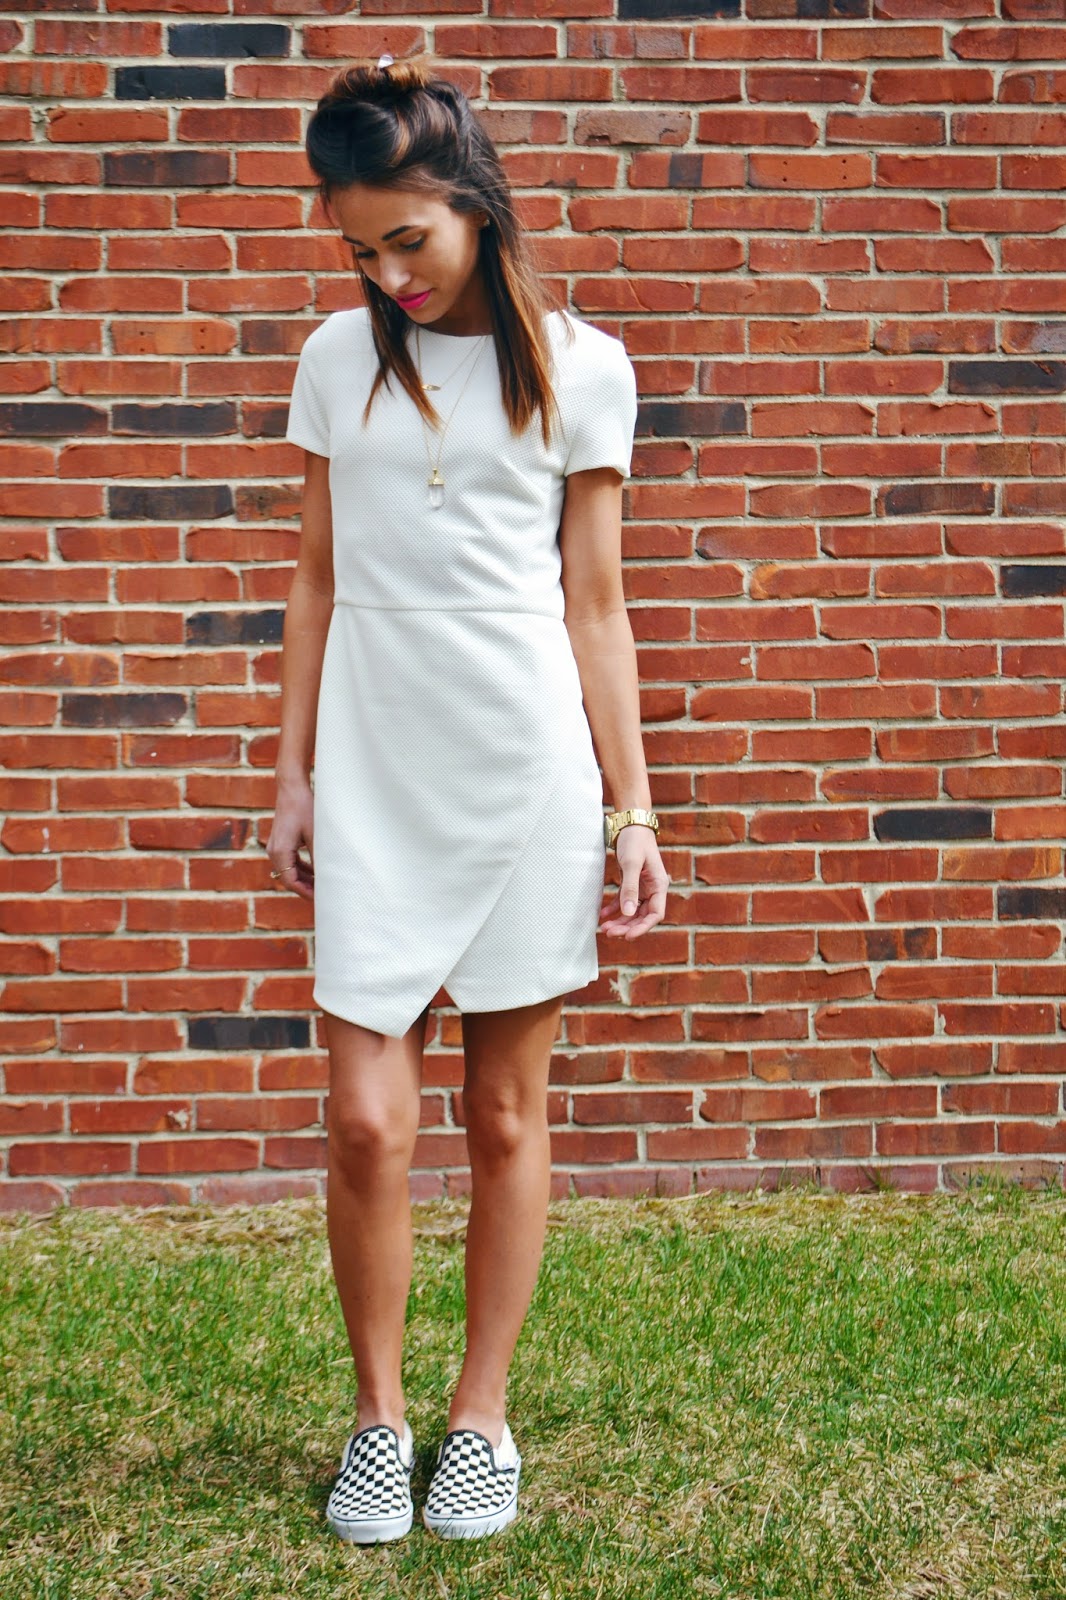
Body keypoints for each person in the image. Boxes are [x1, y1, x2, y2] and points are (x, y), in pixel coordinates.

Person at [267, 51, 670, 1545]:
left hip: (523, 766)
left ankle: (480, 1419)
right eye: (360, 252)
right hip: (376, 762)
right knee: (366, 1123)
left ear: (475, 206)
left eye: (407, 241)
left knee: (504, 1112)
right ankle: (377, 1422)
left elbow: (597, 607)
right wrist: (292, 772)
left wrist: (632, 811)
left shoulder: (583, 366)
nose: (389, 276)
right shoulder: (334, 359)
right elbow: (314, 579)